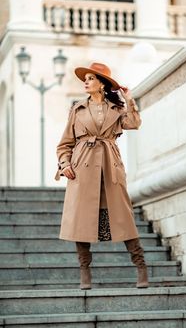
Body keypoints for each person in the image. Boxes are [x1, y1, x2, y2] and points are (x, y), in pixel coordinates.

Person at [55, 62, 149, 290]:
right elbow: (64, 144)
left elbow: (134, 123)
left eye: (91, 78)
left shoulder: (116, 109)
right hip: (82, 169)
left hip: (110, 166)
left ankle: (141, 267)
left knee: (123, 217)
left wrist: (129, 99)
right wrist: (65, 164)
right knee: (81, 221)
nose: (86, 82)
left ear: (102, 84)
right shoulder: (77, 109)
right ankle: (84, 271)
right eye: (85, 79)